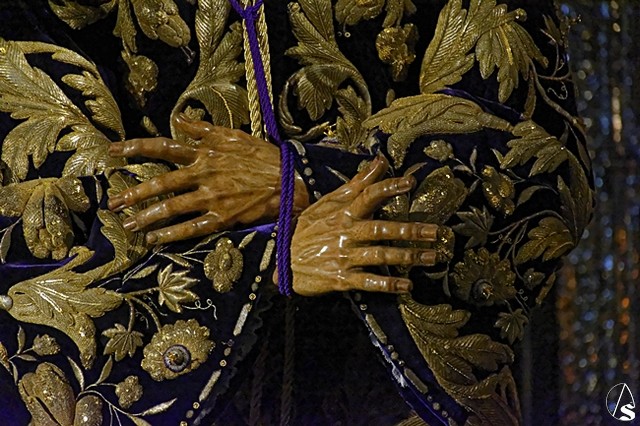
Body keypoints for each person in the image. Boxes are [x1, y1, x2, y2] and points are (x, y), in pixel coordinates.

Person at [0, 0, 593, 424]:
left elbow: (543, 161)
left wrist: (302, 179)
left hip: (389, 391)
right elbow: (34, 204)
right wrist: (269, 254)